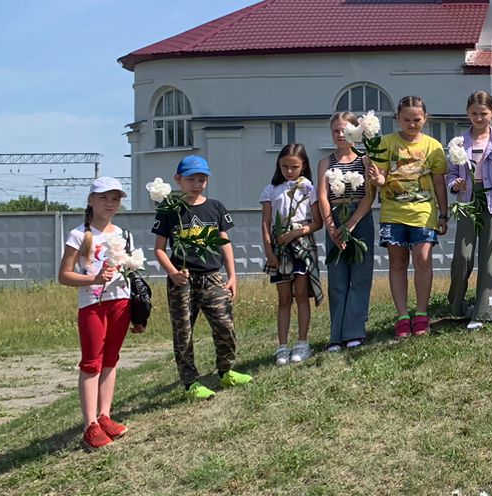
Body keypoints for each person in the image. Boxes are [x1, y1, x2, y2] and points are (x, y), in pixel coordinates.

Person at [152, 154, 251, 399]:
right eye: (191, 179)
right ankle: (190, 384)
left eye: (202, 179)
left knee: (224, 325)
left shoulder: (215, 207)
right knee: (183, 332)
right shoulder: (169, 210)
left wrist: (232, 275)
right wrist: (173, 273)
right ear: (178, 180)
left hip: (213, 277)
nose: (196, 184)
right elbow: (158, 249)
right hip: (182, 281)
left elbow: (225, 242)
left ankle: (226, 370)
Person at [57, 178, 137, 449]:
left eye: (115, 199)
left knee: (111, 359)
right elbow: (64, 276)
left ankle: (105, 415)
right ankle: (90, 424)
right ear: (91, 200)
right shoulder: (79, 234)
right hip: (92, 305)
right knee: (92, 362)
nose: (110, 204)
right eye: (104, 198)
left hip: (121, 303)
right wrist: (93, 279)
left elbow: (128, 269)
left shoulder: (123, 233)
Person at [376, 95, 447, 338]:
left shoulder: (433, 147)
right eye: (406, 119)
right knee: (397, 263)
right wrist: (377, 179)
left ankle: (421, 314)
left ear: (425, 119)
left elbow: (439, 182)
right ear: (398, 118)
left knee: (423, 262)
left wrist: (444, 214)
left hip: (424, 213)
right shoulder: (385, 143)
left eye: (417, 119)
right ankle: (402, 315)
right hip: (393, 213)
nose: (412, 124)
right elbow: (382, 177)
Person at [446, 90, 492, 327]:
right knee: (462, 256)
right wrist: (456, 184)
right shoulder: (458, 143)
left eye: (483, 113)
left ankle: (484, 311)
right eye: (474, 113)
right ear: (467, 113)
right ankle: (457, 304)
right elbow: (451, 174)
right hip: (466, 201)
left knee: (488, 259)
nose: (479, 117)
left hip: (491, 201)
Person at [317, 112, 377, 351]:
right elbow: (322, 197)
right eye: (336, 131)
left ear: (356, 132)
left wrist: (351, 224)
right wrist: (332, 227)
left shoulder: (365, 160)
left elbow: (370, 195)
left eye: (345, 130)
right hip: (335, 217)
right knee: (338, 279)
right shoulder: (325, 162)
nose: (341, 135)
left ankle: (355, 330)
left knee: (360, 277)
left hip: (359, 219)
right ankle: (336, 334)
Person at [260, 142, 322, 365]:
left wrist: (297, 232)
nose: (289, 171)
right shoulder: (271, 189)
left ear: (303, 166)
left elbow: (317, 223)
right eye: (285, 166)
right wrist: (269, 251)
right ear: (279, 165)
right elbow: (266, 222)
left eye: (294, 167)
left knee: (301, 294)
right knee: (284, 298)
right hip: (280, 246)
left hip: (302, 244)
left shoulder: (309, 189)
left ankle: (303, 343)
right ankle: (282, 346)